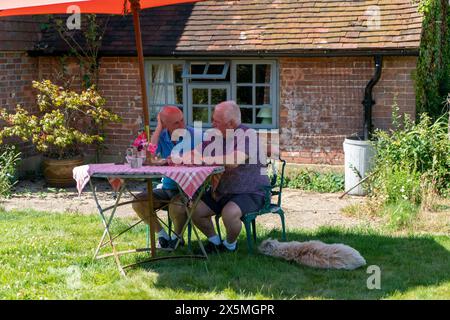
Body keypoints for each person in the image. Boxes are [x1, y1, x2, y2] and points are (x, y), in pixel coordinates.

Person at [173, 101, 270, 253]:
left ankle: (230, 245)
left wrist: (204, 160)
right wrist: (181, 157)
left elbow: (234, 160)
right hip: (223, 192)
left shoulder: (248, 135)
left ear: (231, 124)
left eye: (216, 122)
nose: (212, 124)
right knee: (194, 209)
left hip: (250, 192)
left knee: (229, 213)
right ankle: (215, 243)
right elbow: (195, 152)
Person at [132, 106, 195, 249]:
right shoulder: (161, 136)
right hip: (167, 187)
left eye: (182, 120)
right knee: (138, 202)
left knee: (176, 205)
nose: (182, 125)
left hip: (188, 189)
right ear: (165, 124)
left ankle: (176, 239)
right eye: (176, 123)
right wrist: (159, 128)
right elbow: (147, 155)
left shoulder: (195, 135)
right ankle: (162, 236)